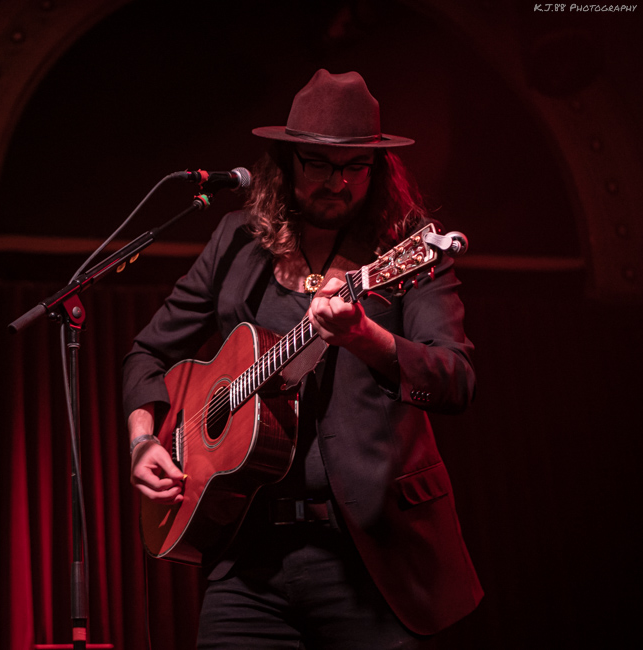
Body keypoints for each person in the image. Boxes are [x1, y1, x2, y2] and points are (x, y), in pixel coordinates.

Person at [123, 69, 482, 648]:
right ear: (286, 161)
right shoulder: (236, 241)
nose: (338, 184)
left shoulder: (406, 247)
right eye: (318, 164)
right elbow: (147, 352)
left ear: (377, 168)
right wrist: (144, 440)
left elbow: (455, 380)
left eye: (355, 168)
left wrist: (366, 337)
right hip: (245, 558)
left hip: (371, 557)